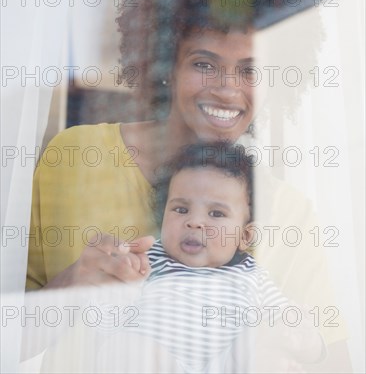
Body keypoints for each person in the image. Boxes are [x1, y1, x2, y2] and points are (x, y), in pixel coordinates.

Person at [25, 0, 350, 372]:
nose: (226, 89)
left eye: (251, 70)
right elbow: (13, 339)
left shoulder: (287, 212)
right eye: (204, 63)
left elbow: (333, 362)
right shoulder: (77, 157)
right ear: (165, 63)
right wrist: (72, 285)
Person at [95, 142, 325, 373]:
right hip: (161, 364)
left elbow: (290, 331)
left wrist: (304, 339)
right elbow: (105, 325)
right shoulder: (149, 261)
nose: (194, 222)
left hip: (228, 366)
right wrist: (118, 287)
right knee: (124, 346)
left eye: (216, 213)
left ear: (245, 236)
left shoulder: (251, 275)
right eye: (181, 209)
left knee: (267, 338)